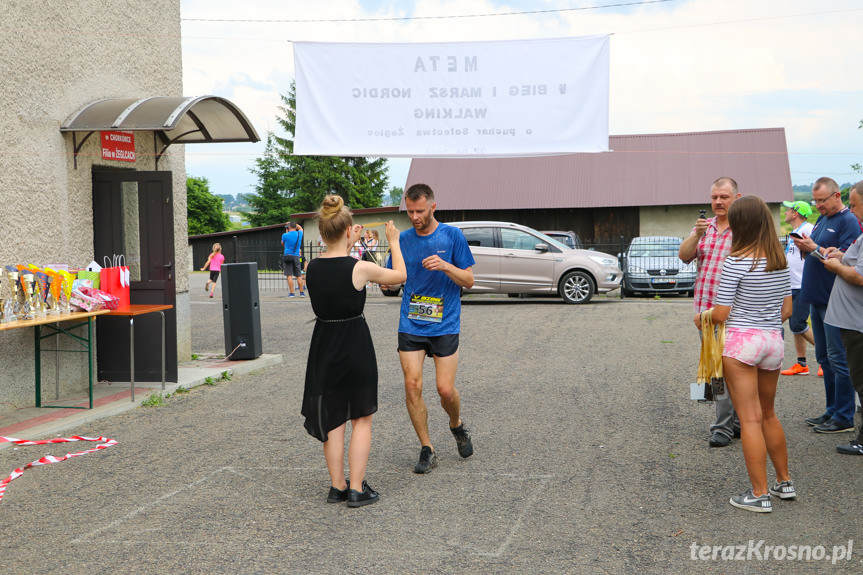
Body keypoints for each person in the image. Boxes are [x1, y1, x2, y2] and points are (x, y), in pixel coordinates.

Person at [301, 195, 406, 507]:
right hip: (354, 342)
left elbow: (334, 265)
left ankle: (337, 486)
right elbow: (398, 277)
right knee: (360, 417)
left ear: (322, 233)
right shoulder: (360, 268)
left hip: (323, 343)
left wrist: (347, 242)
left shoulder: (311, 267)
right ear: (348, 231)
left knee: (333, 418)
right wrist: (394, 242)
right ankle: (358, 488)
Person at [695, 195, 793, 512]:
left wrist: (703, 317)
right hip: (773, 342)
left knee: (748, 420)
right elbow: (787, 309)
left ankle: (759, 494)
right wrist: (761, 321)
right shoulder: (781, 260)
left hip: (741, 343)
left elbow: (722, 313)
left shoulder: (736, 261)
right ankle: (784, 482)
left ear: (740, 226)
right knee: (768, 414)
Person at [380, 183, 476, 474]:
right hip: (411, 322)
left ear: (433, 206)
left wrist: (446, 266)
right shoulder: (403, 239)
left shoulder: (452, 235)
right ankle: (427, 448)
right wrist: (389, 284)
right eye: (409, 211)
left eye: (419, 210)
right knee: (412, 385)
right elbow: (393, 278)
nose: (414, 216)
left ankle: (456, 424)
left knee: (445, 390)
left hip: (445, 323)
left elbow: (469, 281)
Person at [791, 177, 861, 434]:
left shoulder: (848, 220)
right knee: (824, 357)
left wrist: (814, 248)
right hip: (817, 298)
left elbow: (846, 259)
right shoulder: (823, 219)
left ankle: (844, 416)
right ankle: (832, 410)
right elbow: (820, 251)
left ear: (836, 196)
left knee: (839, 359)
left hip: (835, 299)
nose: (818, 205)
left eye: (822, 200)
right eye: (815, 200)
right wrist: (805, 248)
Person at [679, 177, 741, 448]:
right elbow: (683, 256)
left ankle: (723, 427)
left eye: (724, 197)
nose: (718, 202)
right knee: (716, 369)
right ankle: (734, 422)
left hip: (731, 312)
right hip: (704, 313)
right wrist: (696, 234)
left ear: (736, 198)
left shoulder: (744, 230)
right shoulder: (706, 228)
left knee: (729, 368)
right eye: (715, 197)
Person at [822, 181, 863, 455]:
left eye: (855, 203)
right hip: (851, 321)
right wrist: (843, 255)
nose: (851, 208)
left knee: (860, 381)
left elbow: (859, 276)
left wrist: (837, 266)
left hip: (857, 324)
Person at [780, 201, 816, 375]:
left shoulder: (808, 229)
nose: (785, 212)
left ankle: (828, 357)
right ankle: (801, 364)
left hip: (803, 285)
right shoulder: (795, 231)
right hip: (791, 285)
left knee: (798, 324)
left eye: (788, 209)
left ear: (795, 213)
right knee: (795, 324)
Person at [281, 221, 305, 297]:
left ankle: (292, 293)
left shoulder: (285, 235)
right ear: (295, 226)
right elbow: (301, 228)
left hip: (287, 255)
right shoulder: (299, 234)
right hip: (296, 256)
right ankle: (301, 293)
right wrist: (294, 224)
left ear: (288, 227)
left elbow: (283, 243)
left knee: (289, 275)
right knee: (298, 275)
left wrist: (287, 229)